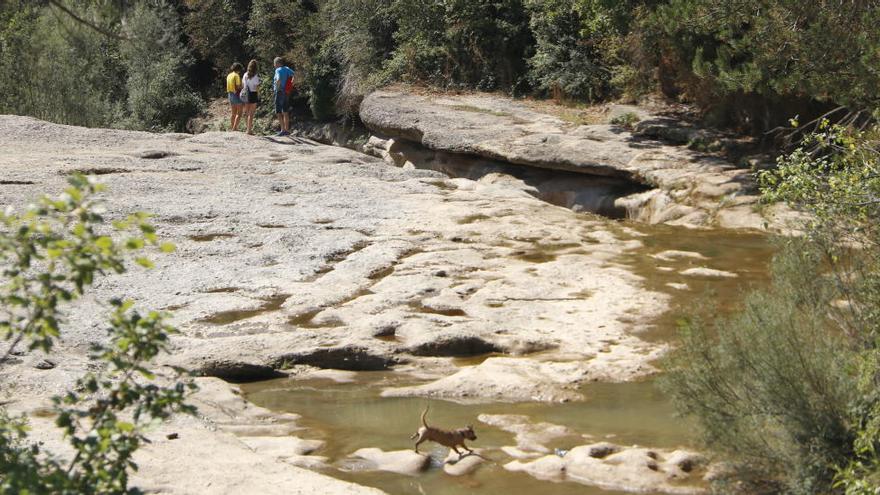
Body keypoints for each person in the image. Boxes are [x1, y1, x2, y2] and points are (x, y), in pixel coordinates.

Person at [272, 57, 295, 136]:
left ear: (278, 63)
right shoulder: (286, 68)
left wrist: (277, 88)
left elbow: (278, 79)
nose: (274, 65)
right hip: (286, 92)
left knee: (278, 111)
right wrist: (291, 84)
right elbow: (294, 75)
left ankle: (282, 130)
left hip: (279, 92)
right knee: (285, 110)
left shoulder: (278, 70)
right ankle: (287, 129)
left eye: (274, 64)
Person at [241, 59, 260, 135]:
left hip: (246, 94)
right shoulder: (255, 75)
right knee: (251, 113)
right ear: (256, 67)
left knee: (246, 112)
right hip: (253, 94)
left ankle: (247, 128)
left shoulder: (245, 74)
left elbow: (243, 85)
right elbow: (257, 87)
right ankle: (249, 130)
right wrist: (259, 94)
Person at [226, 63, 244, 132]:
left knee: (233, 113)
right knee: (239, 113)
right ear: (238, 69)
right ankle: (235, 128)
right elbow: (238, 86)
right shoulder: (236, 75)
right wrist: (243, 87)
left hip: (229, 94)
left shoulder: (229, 75)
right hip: (236, 94)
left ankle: (232, 127)